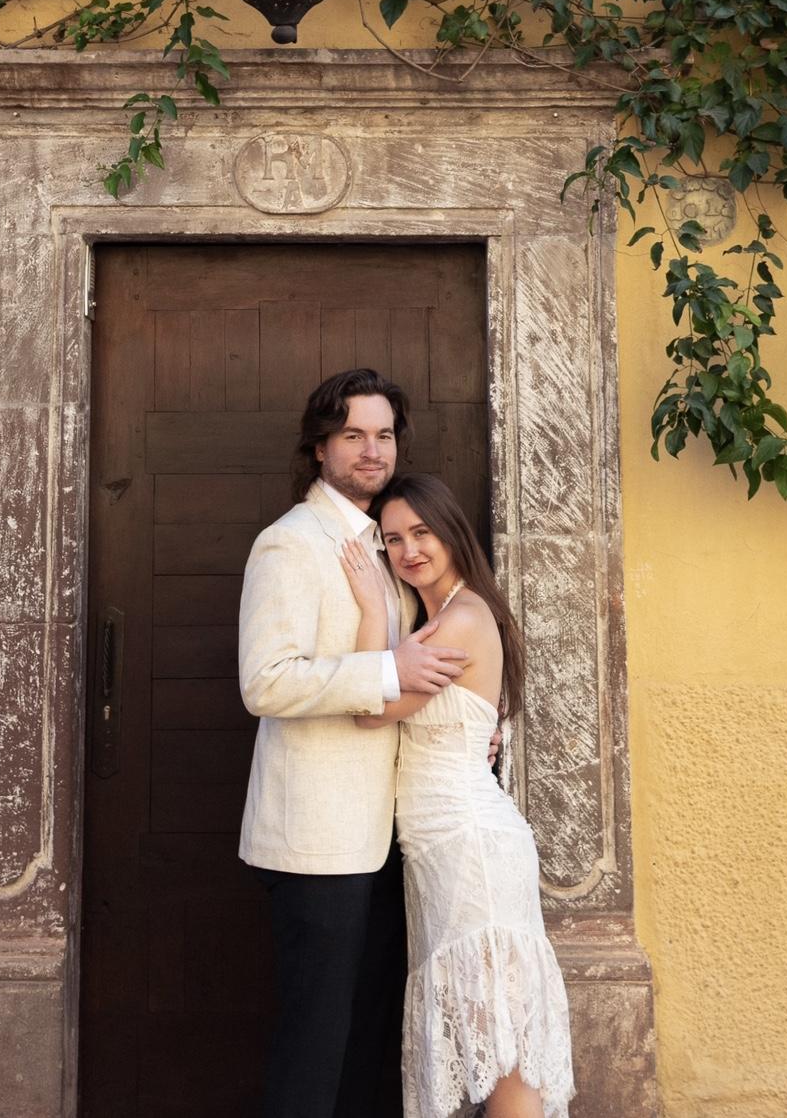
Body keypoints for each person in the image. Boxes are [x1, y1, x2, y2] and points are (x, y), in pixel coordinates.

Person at [238, 369, 471, 1118]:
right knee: (317, 1043)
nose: (372, 450)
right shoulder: (290, 543)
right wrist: (384, 670)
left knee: (367, 1041)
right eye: (353, 435)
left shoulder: (391, 541)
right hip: (316, 840)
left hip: (389, 835)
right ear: (320, 447)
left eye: (384, 435)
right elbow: (265, 682)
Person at [339, 473, 575, 1118]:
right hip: (443, 846)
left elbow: (367, 708)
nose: (409, 550)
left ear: (450, 533)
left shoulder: (462, 618)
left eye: (422, 533)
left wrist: (370, 609)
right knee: (488, 1038)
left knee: (499, 1041)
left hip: (469, 844)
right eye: (393, 539)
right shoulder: (441, 617)